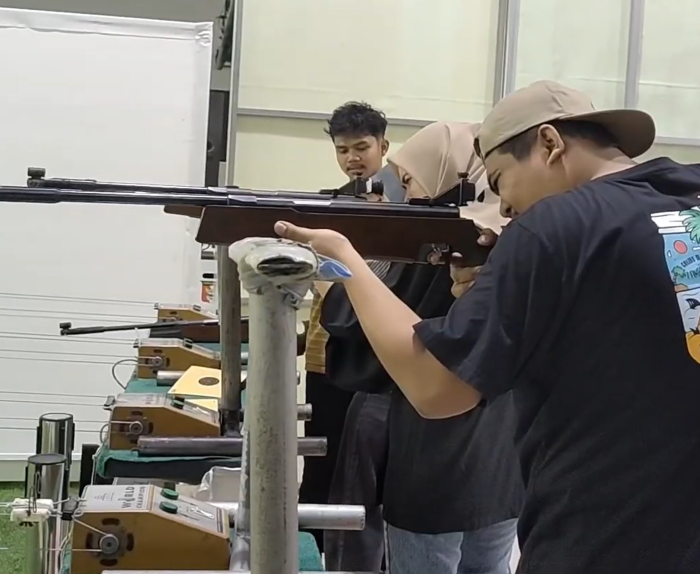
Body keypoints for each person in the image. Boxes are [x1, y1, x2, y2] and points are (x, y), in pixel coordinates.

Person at [276, 79, 700, 574]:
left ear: (549, 143)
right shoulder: (683, 197)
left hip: (600, 534)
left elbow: (436, 388)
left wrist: (345, 257)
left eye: (500, 181)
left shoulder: (552, 226)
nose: (505, 208)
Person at [323, 122, 522, 574]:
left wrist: (346, 263)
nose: (406, 192)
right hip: (502, 453)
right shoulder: (509, 234)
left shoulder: (453, 239)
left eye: (409, 179)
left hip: (437, 449)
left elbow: (350, 319)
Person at [299, 101, 402, 555]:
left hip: (380, 355)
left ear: (384, 145)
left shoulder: (406, 202)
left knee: (373, 469)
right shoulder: (328, 205)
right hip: (327, 350)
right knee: (323, 457)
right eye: (343, 150)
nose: (352, 158)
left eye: (361, 147)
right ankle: (314, 552)